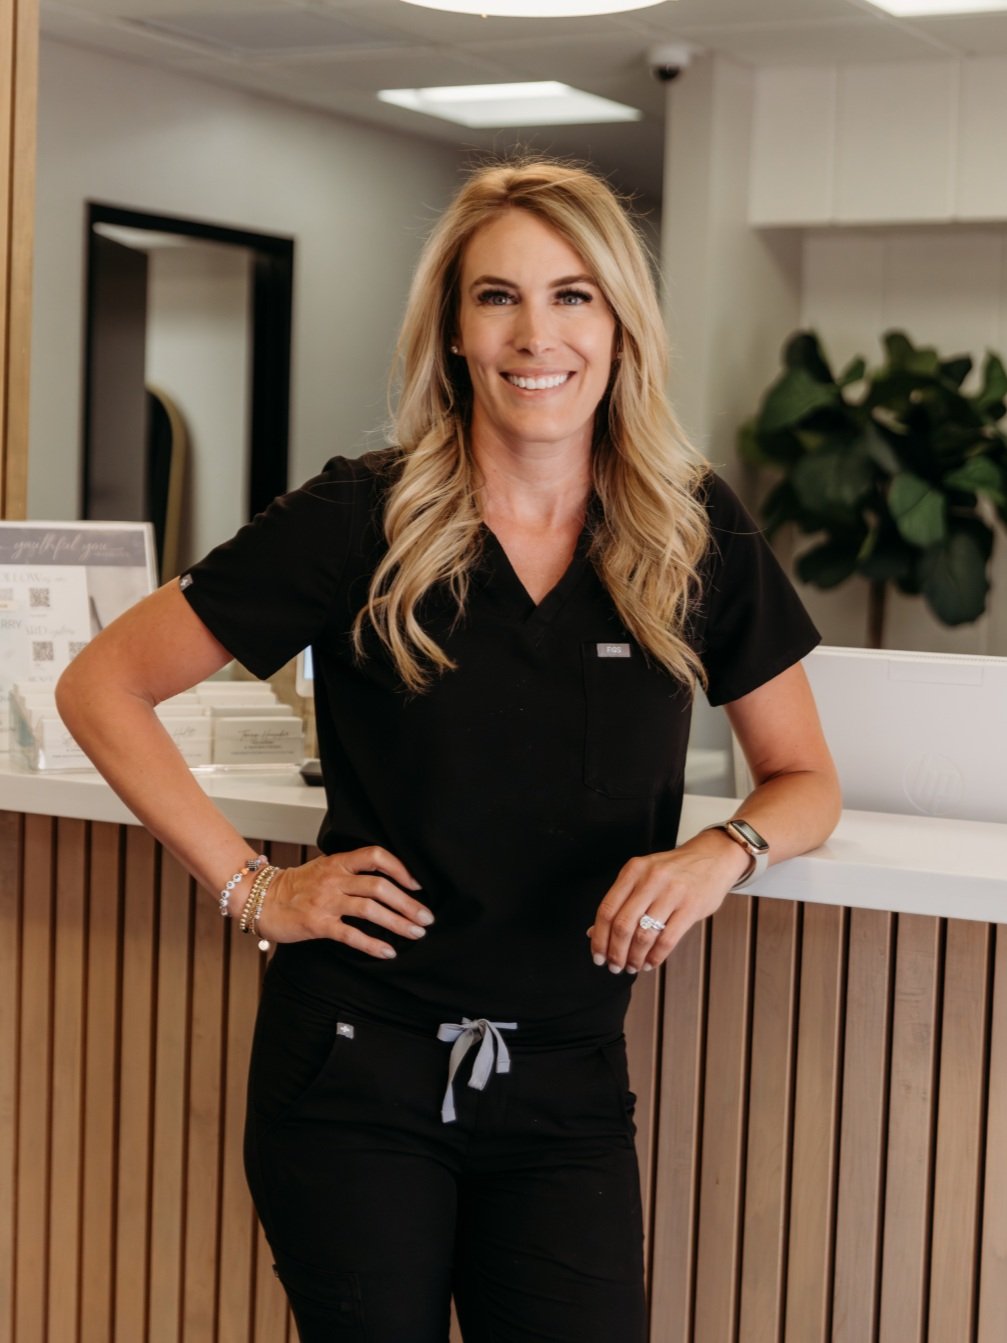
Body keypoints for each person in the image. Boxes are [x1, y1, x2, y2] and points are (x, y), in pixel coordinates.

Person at [57, 157, 841, 1343]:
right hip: (354, 1074)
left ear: (621, 325)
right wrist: (254, 885)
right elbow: (100, 682)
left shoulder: (693, 531)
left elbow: (805, 780)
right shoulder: (358, 515)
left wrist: (720, 849)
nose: (538, 334)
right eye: (497, 297)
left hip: (567, 1082)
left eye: (573, 295)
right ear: (455, 332)